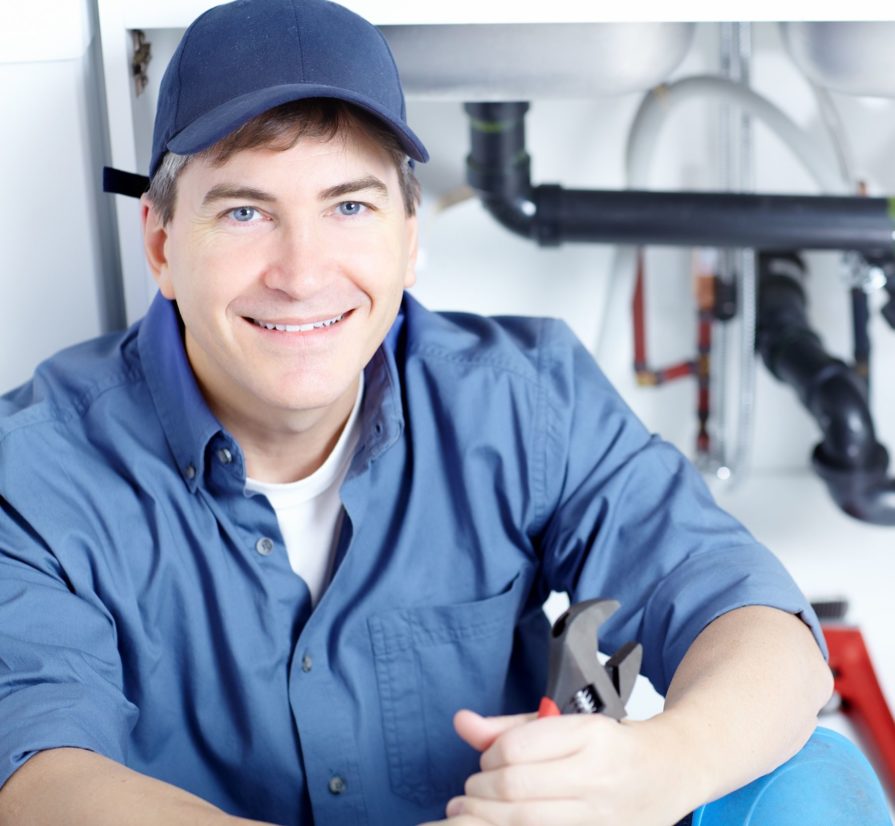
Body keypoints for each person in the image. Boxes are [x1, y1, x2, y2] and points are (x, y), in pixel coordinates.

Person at [0, 1, 834, 825]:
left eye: (349, 206)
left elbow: (746, 610)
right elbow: (36, 773)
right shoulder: (35, 473)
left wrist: (661, 765)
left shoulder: (522, 400)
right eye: (245, 211)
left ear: (408, 237)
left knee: (813, 778)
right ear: (161, 244)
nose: (301, 273)